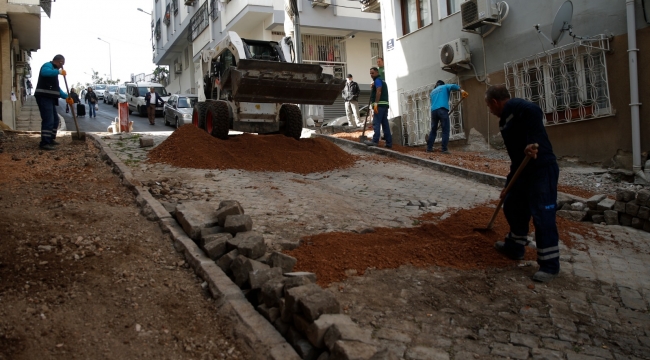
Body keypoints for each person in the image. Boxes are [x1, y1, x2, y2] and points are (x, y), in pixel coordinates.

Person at [484, 84, 560, 283]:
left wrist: (532, 141)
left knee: (542, 215)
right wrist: (508, 184)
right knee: (512, 204)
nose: (490, 111)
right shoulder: (504, 123)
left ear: (495, 102)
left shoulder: (517, 107)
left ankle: (550, 265)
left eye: (489, 107)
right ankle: (515, 247)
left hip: (541, 168)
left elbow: (534, 110)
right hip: (523, 170)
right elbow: (517, 159)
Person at [33, 54, 71, 151]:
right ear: (60, 62)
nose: (61, 67)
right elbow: (44, 72)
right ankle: (44, 142)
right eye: (62, 64)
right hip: (43, 97)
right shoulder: (47, 66)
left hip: (50, 97)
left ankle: (50, 139)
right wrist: (58, 71)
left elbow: (56, 88)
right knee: (48, 119)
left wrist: (66, 96)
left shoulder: (54, 72)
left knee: (55, 120)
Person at [426, 80, 467, 154]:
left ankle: (429, 148)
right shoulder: (445, 86)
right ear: (442, 84)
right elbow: (453, 86)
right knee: (445, 130)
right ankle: (444, 149)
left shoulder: (432, 92)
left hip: (433, 112)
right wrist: (462, 91)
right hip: (442, 110)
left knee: (433, 130)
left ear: (436, 85)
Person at [363, 67, 391, 149]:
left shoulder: (378, 80)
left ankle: (375, 141)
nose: (371, 75)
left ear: (377, 72)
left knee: (376, 122)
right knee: (385, 124)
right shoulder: (382, 80)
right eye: (370, 73)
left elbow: (379, 91)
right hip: (385, 105)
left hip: (379, 105)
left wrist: (375, 104)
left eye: (372, 73)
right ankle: (389, 143)